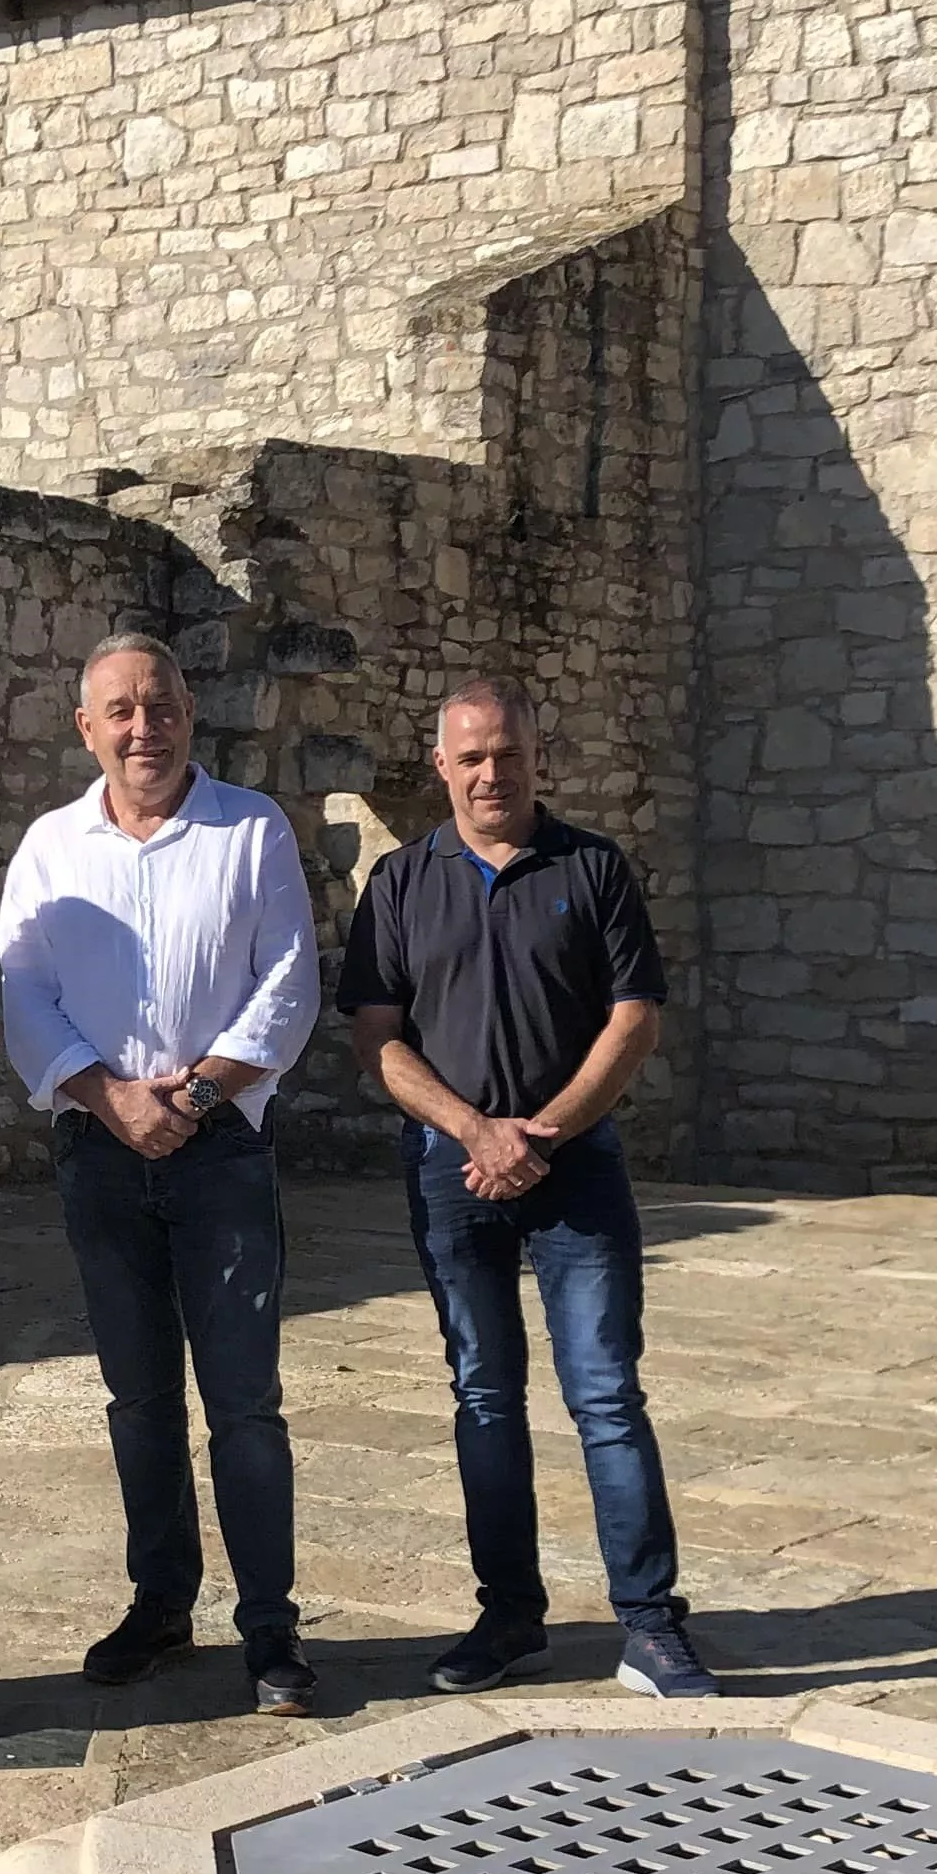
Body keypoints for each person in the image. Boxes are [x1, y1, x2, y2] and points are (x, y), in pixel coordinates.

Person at [340, 679, 719, 1700]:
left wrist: (543, 1132)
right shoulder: (400, 884)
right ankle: (510, 1619)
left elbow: (633, 1018)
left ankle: (649, 1625)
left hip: (576, 1168)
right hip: (452, 1172)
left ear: (534, 759)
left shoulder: (591, 868)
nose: (490, 774)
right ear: (442, 768)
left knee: (605, 1395)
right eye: (470, 758)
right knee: (484, 1396)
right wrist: (475, 1132)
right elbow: (377, 1039)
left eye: (506, 754)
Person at [0, 633, 323, 1713]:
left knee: (244, 1403)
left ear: (191, 714)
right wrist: (112, 1098)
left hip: (218, 1146)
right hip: (100, 1150)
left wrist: (189, 1098)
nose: (146, 727)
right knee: (138, 1397)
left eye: (162, 705)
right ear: (86, 729)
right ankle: (160, 1603)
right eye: (121, 711)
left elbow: (286, 986)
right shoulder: (50, 847)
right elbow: (24, 994)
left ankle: (270, 1629)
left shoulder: (250, 829)